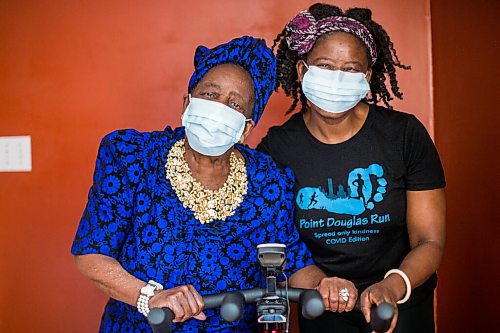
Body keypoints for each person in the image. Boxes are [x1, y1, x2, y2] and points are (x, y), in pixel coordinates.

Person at [71, 36, 314, 332]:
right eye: (210, 94)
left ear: (246, 129)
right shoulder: (131, 155)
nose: (220, 107)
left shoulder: (269, 179)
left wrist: (328, 286)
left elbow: (293, 260)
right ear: (187, 103)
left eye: (235, 104)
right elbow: (91, 254)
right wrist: (150, 297)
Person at [258, 4, 446, 333]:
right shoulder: (277, 149)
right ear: (303, 72)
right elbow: (274, 240)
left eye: (351, 69)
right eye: (326, 66)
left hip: (400, 304)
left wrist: (393, 286)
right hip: (322, 304)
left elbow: (429, 240)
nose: (337, 78)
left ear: (367, 77)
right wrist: (318, 283)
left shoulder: (404, 136)